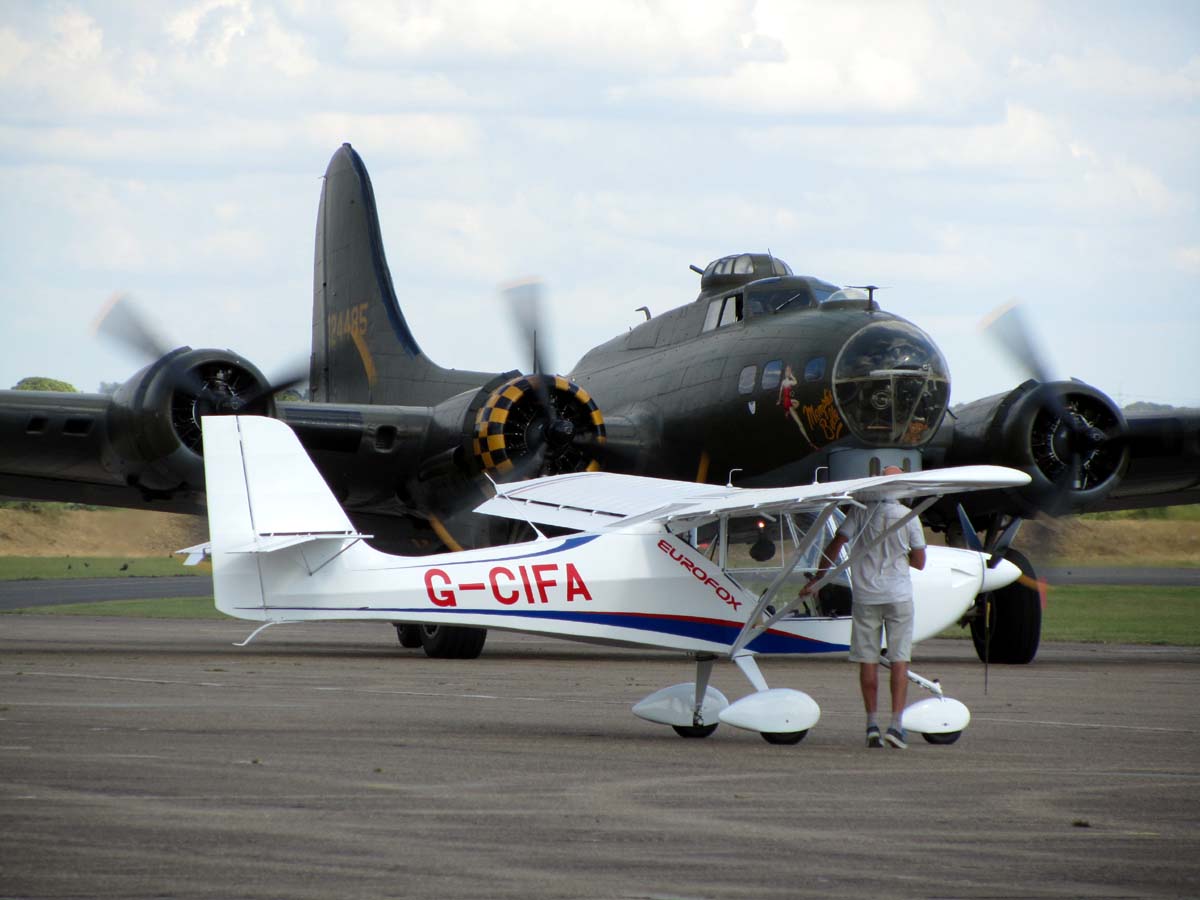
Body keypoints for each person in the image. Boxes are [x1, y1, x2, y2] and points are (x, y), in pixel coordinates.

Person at [799, 466, 926, 749]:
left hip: (866, 596)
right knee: (899, 659)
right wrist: (899, 554)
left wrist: (818, 578)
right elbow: (919, 562)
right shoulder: (909, 517)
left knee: (868, 660)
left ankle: (871, 724)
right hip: (899, 596)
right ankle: (896, 725)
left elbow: (836, 544)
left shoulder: (859, 513)